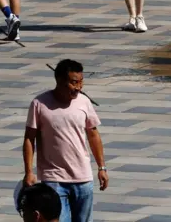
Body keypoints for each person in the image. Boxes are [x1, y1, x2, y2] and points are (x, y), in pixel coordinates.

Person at [23, 59, 108, 222]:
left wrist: (101, 167)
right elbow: (29, 138)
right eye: (74, 82)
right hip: (53, 180)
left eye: (81, 82)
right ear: (60, 81)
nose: (79, 87)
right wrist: (29, 172)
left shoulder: (84, 102)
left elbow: (93, 135)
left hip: (83, 179)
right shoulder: (39, 104)